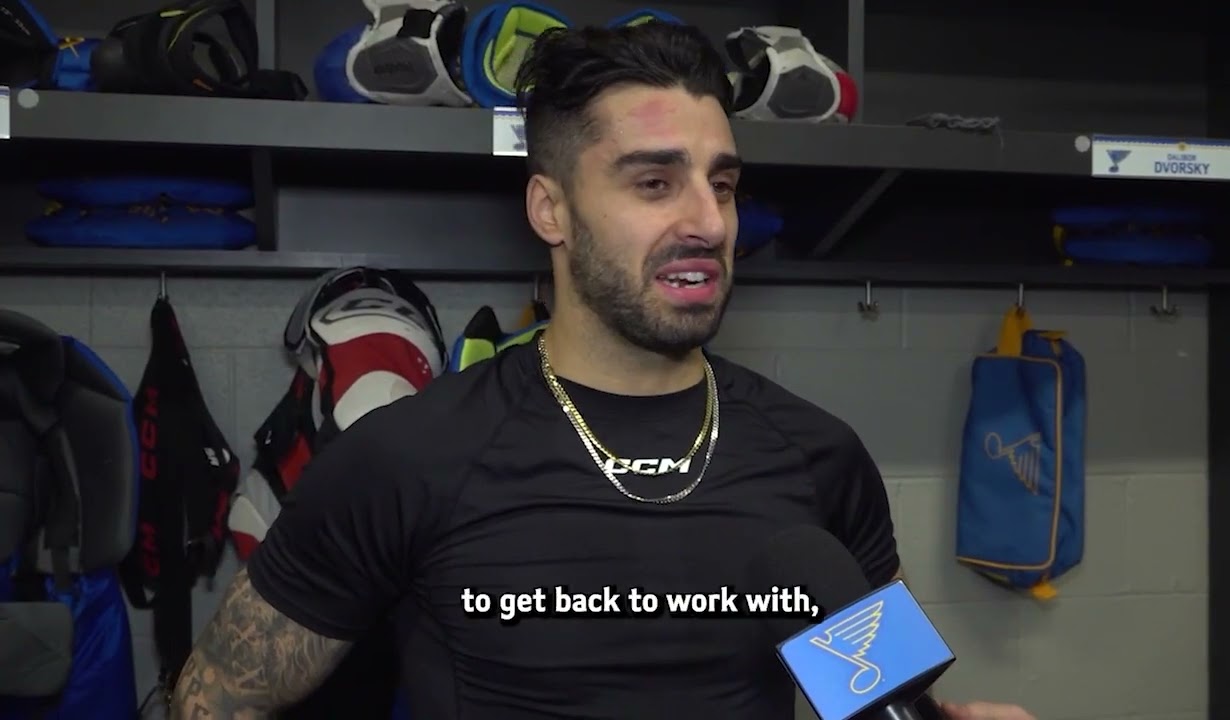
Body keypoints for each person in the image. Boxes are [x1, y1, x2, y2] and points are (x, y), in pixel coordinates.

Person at [170, 21, 1037, 720]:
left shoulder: (818, 457)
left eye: (723, 184)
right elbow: (217, 697)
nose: (708, 221)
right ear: (551, 208)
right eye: (654, 184)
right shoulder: (408, 457)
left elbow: (874, 699)